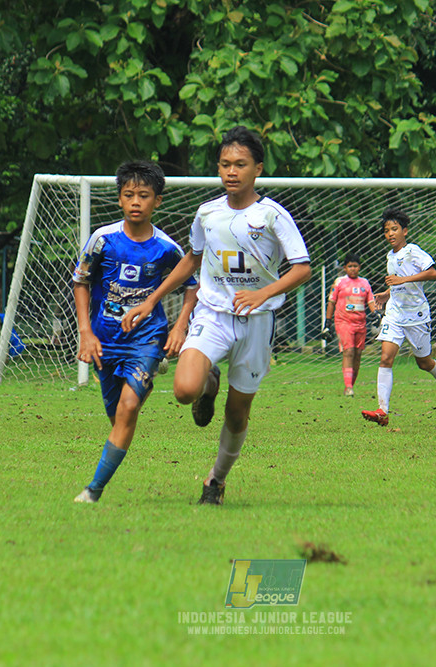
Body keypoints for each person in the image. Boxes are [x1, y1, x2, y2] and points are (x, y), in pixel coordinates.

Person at [124, 126, 311, 505]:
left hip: (258, 323)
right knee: (183, 389)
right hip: (213, 315)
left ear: (257, 168)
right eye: (225, 164)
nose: (231, 171)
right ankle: (209, 382)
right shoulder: (207, 213)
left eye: (240, 164)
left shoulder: (272, 215)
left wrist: (262, 293)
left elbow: (302, 268)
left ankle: (216, 480)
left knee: (237, 412)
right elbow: (191, 260)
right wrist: (151, 299)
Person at [71, 161, 199, 504]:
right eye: (129, 195)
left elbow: (192, 286)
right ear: (119, 200)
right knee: (118, 418)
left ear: (157, 201)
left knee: (128, 408)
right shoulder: (103, 240)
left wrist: (179, 327)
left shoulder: (166, 248)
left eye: (144, 195)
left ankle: (92, 491)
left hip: (148, 336)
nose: (136, 202)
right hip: (105, 339)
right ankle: (144, 373)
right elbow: (80, 281)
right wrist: (86, 332)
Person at [361, 208, 436, 427]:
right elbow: (398, 283)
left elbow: (433, 273)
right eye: (386, 231)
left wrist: (403, 280)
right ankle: (382, 411)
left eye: (394, 229)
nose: (390, 234)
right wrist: (386, 294)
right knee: (385, 358)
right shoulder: (390, 256)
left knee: (424, 363)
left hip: (417, 315)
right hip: (395, 314)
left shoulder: (412, 251)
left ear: (405, 230)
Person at [324, 253, 377, 396]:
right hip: (343, 321)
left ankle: (350, 386)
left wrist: (375, 313)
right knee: (349, 352)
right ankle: (348, 387)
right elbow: (332, 302)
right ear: (345, 268)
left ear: (359, 267)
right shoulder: (339, 282)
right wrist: (327, 322)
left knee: (358, 354)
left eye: (355, 266)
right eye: (350, 266)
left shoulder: (364, 283)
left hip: (360, 323)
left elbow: (370, 301)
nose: (353, 269)